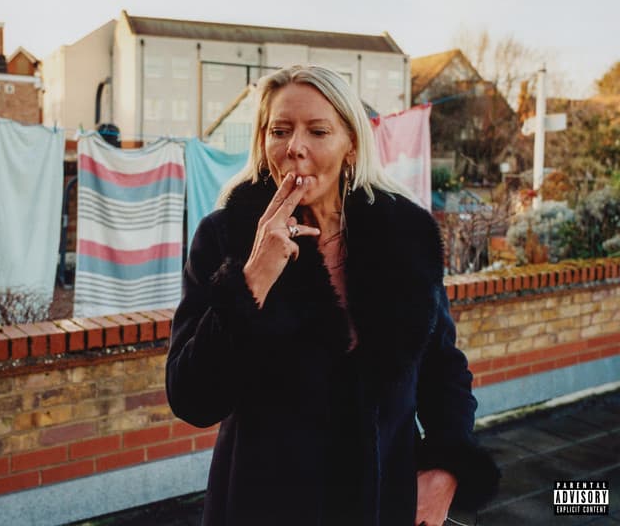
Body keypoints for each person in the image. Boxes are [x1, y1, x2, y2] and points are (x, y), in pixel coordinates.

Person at [166, 65, 499, 526]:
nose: (295, 146)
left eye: (318, 131)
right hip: (264, 506)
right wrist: (252, 279)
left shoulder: (403, 235)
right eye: (280, 130)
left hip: (383, 503)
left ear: (352, 145)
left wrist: (446, 468)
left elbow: (442, 367)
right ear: (263, 142)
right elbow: (191, 398)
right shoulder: (225, 237)